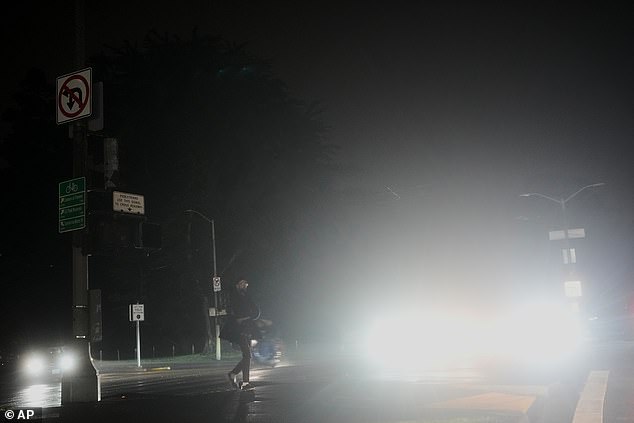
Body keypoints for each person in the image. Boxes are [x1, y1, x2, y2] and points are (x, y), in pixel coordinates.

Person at [222, 278, 261, 391]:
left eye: (245, 283)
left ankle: (233, 374)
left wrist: (247, 317)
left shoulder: (247, 296)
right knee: (247, 355)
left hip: (247, 328)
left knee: (247, 355)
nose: (244, 285)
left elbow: (256, 311)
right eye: (242, 283)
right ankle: (245, 382)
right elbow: (231, 313)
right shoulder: (233, 297)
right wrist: (241, 319)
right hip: (238, 330)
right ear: (237, 285)